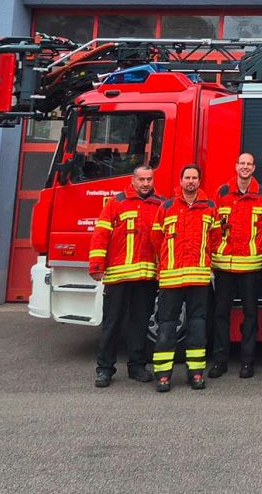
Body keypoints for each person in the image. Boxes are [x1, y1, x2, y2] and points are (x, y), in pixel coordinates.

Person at [88, 164, 163, 387]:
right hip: (118, 277)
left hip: (146, 278)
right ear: (133, 181)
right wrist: (96, 265)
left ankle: (137, 367)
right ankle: (104, 369)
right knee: (112, 324)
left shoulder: (159, 204)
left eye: (149, 179)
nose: (146, 183)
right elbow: (101, 235)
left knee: (140, 324)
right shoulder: (116, 203)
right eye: (142, 179)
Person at [151, 164, 217, 393]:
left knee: (198, 326)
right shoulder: (166, 207)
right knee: (167, 327)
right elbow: (155, 239)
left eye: (194, 178)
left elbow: (215, 239)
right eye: (187, 177)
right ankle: (162, 376)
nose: (191, 181)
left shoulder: (209, 208)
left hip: (198, 278)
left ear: (199, 182)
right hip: (171, 279)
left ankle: (196, 373)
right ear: (180, 181)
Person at [209, 152, 262, 380]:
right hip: (224, 265)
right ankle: (220, 361)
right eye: (242, 163)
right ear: (236, 166)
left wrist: (258, 250)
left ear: (254, 168)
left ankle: (248, 362)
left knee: (250, 315)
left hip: (251, 265)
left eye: (249, 164)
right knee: (221, 314)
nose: (245, 167)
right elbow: (214, 228)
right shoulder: (222, 193)